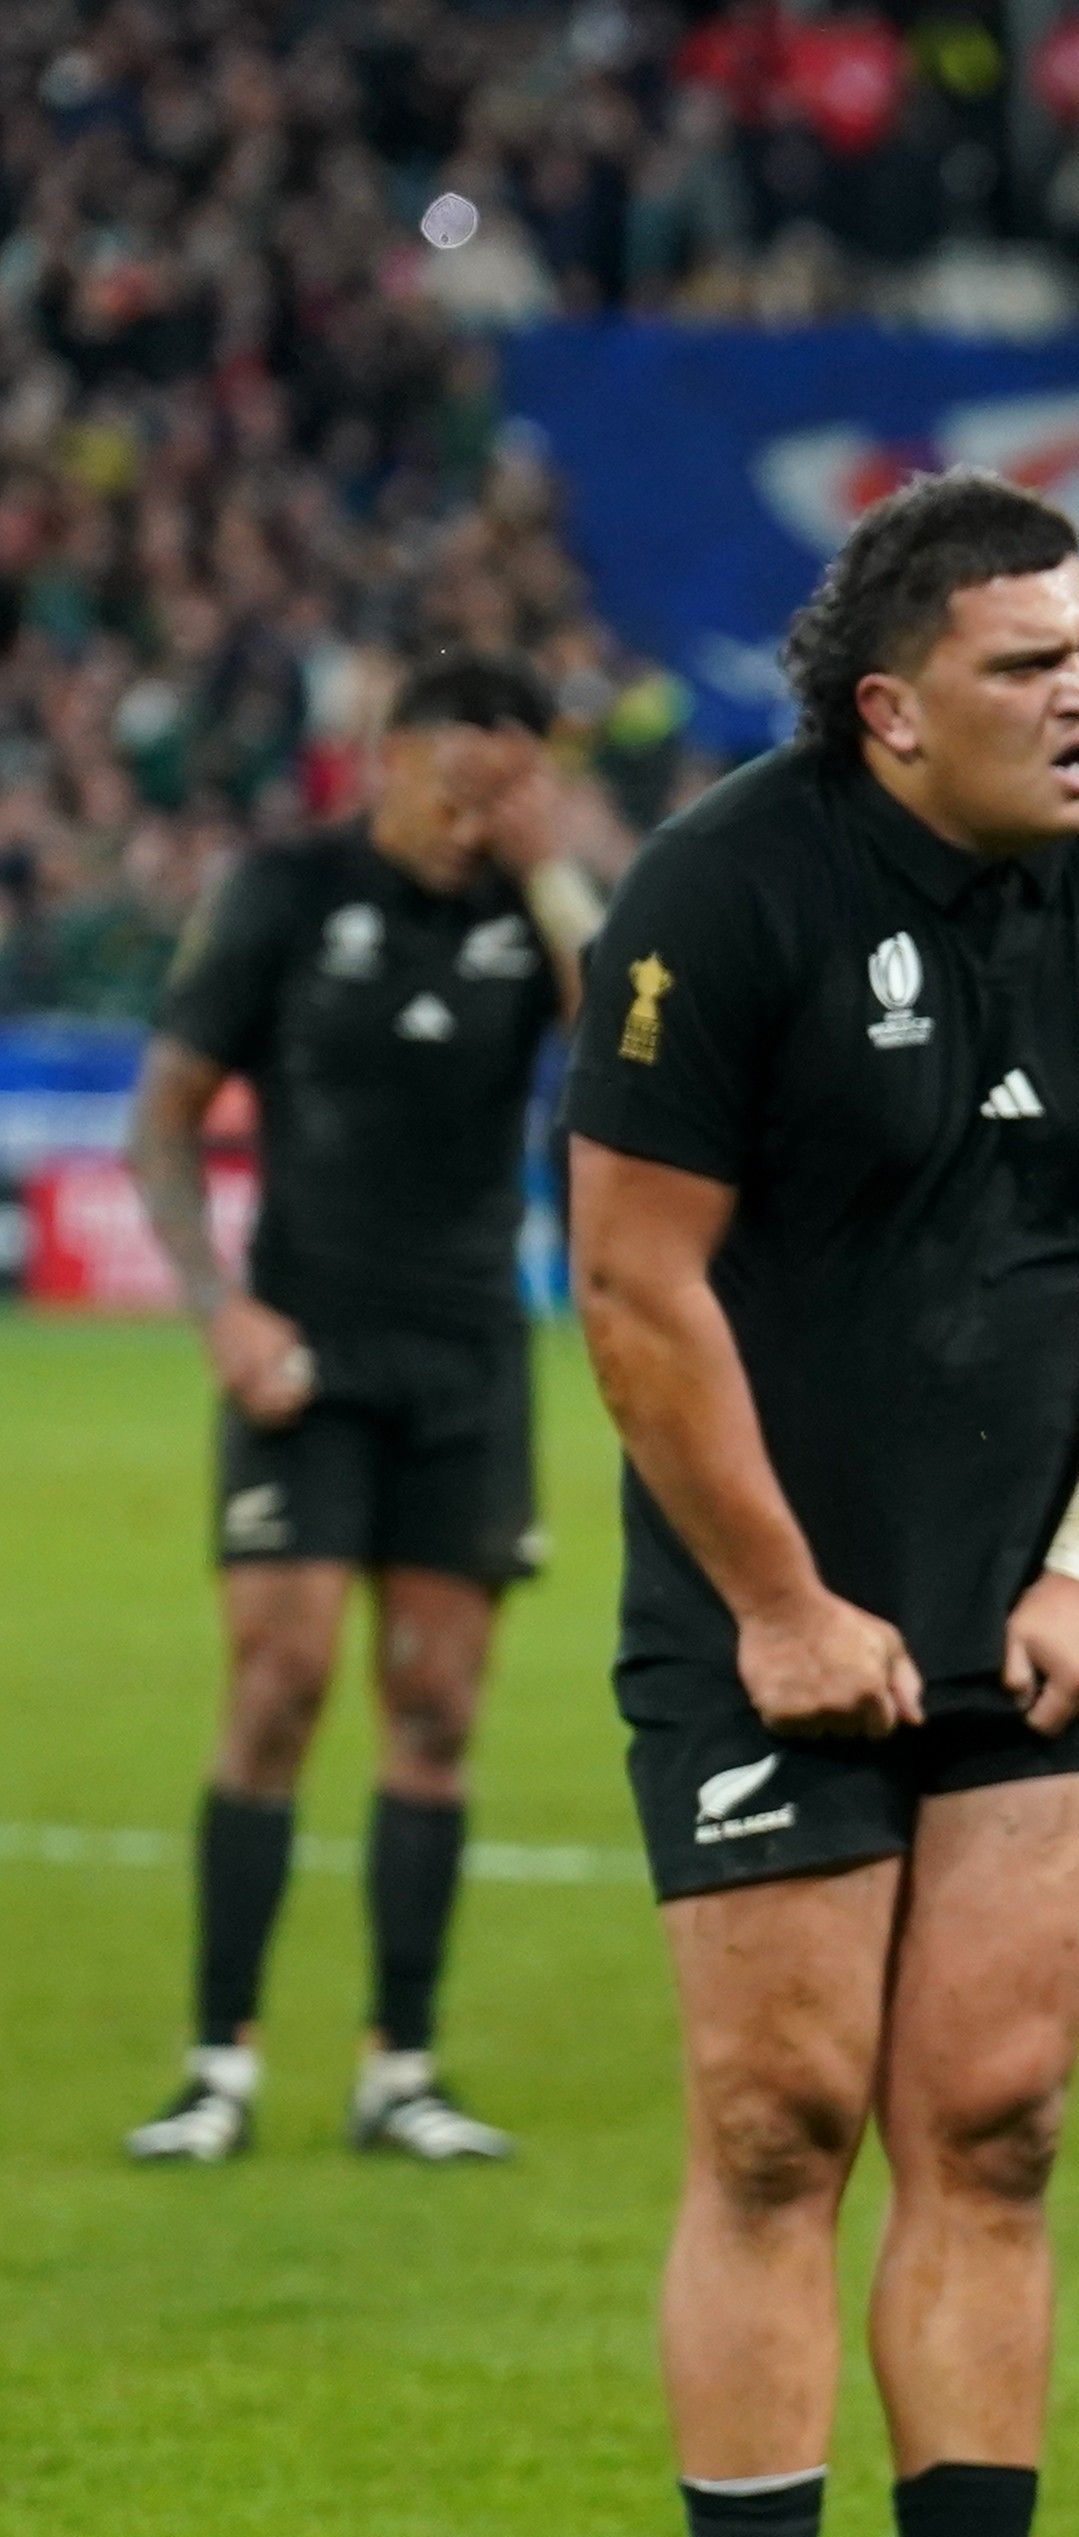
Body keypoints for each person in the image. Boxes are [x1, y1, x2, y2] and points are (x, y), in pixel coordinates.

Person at [564, 470, 1079, 2537]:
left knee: (998, 2122)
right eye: (1027, 666)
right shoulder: (725, 891)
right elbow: (634, 1282)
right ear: (894, 713)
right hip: (766, 1612)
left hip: (1032, 1619)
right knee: (777, 2129)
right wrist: (779, 1602)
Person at [123, 651, 598, 2168]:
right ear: (388, 759)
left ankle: (403, 2066)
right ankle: (220, 2063)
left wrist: (555, 874)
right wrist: (222, 1308)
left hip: (468, 1352)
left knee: (439, 1707)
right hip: (304, 1350)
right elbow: (164, 1123)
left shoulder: (535, 917)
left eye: (509, 789)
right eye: (459, 782)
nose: (478, 815)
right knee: (278, 1684)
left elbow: (652, 1044)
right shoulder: (281, 892)